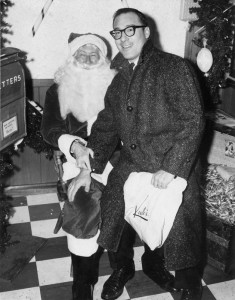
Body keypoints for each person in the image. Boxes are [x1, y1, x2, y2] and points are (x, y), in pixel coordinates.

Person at [68, 8, 205, 300]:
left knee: (180, 234)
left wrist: (171, 168)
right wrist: (86, 169)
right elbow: (105, 128)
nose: (122, 37)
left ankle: (187, 286)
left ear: (146, 31)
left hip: (172, 168)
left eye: (129, 29)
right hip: (132, 166)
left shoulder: (173, 67)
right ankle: (122, 270)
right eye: (117, 32)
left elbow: (193, 121)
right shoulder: (118, 79)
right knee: (115, 214)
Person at [41, 32, 117, 300]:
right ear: (72, 57)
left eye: (93, 53)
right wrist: (73, 145)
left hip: (115, 157)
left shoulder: (115, 86)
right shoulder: (57, 89)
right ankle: (83, 282)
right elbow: (49, 128)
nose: (87, 58)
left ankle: (122, 267)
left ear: (102, 57)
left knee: (130, 198)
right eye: (81, 53)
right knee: (84, 203)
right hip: (76, 158)